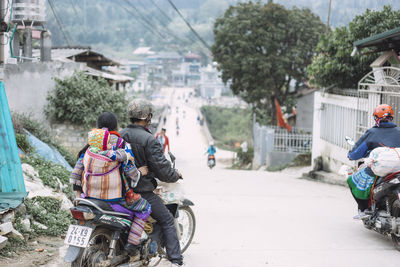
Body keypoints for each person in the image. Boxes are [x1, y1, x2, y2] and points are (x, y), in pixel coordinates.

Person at [70, 112, 151, 255]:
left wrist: (79, 196)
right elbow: (131, 173)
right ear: (116, 126)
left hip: (88, 199)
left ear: (98, 127)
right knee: (144, 208)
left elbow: (77, 172)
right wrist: (141, 173)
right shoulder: (121, 145)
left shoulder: (91, 145)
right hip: (114, 201)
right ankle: (132, 246)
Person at [120, 99, 184, 267]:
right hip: (142, 192)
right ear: (146, 117)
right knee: (168, 220)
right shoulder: (149, 139)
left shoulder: (119, 135)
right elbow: (162, 168)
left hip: (119, 190)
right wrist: (174, 175)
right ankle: (176, 260)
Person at [347, 104, 400, 219]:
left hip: (379, 169)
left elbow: (356, 153)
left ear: (376, 119)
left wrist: (350, 155)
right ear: (391, 118)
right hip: (398, 169)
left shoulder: (372, 132)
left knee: (351, 180)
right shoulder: (398, 131)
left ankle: (363, 209)